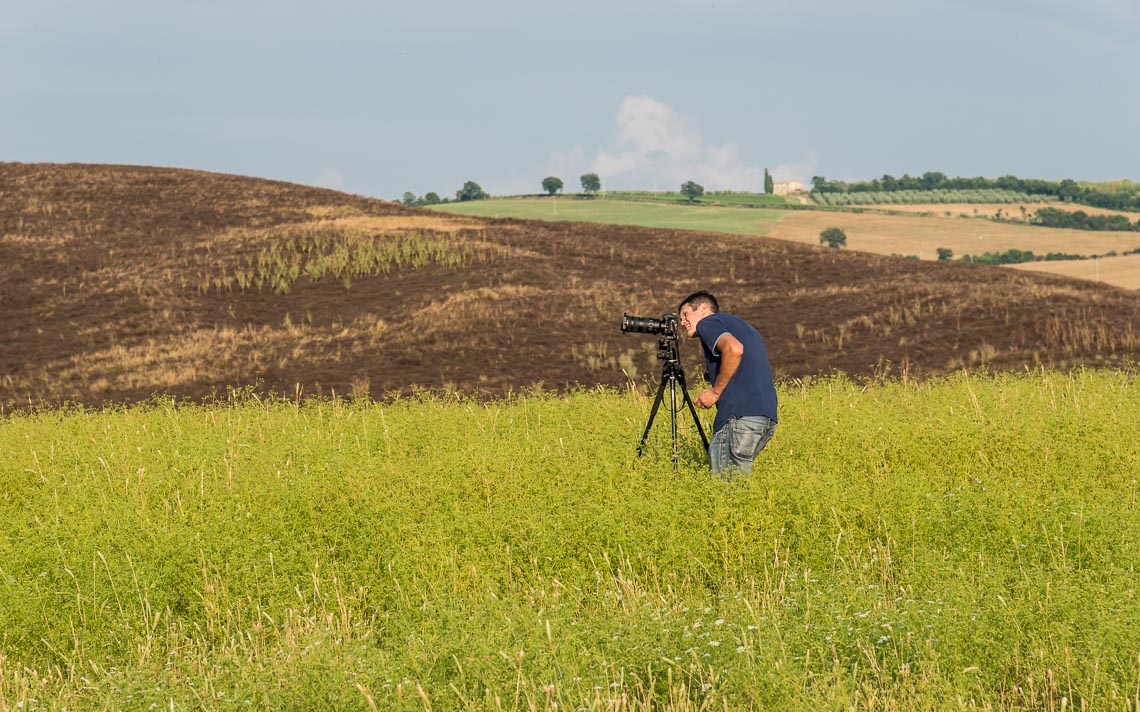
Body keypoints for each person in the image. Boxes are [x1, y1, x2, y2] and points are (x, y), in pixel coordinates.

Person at [677, 290, 777, 476]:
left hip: (739, 417)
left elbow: (734, 349)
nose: (682, 322)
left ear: (703, 309)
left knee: (727, 492)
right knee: (737, 489)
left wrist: (715, 392)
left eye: (685, 314)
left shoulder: (708, 322)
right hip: (765, 418)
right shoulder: (743, 327)